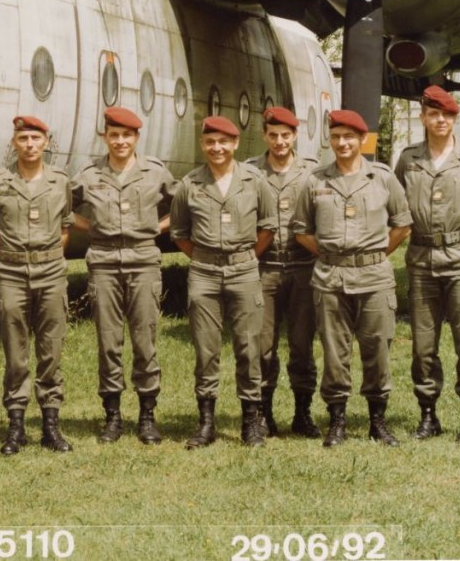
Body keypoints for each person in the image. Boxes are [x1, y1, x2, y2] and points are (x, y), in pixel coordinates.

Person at [293, 109, 412, 447]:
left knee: (377, 349)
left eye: (349, 137)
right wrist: (333, 256)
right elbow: (302, 230)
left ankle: (377, 421)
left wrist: (372, 256)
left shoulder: (383, 178)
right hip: (330, 279)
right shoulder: (315, 180)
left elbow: (402, 224)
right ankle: (337, 421)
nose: (342, 143)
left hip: (375, 278)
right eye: (336, 137)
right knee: (334, 352)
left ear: (362, 139)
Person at [394, 85, 460, 443]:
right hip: (422, 260)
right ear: (423, 117)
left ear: (455, 118)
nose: (441, 120)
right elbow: (396, 204)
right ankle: (428, 415)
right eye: (434, 114)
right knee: (423, 345)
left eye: (448, 115)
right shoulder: (408, 159)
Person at [71, 106, 176, 445]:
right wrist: (91, 227)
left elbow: (181, 206)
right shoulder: (89, 175)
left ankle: (147, 416)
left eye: (126, 136)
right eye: (113, 135)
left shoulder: (155, 173)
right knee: (108, 341)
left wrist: (154, 228)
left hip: (144, 260)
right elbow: (63, 206)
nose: (119, 141)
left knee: (145, 339)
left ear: (136, 138)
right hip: (102, 261)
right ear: (105, 137)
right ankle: (112, 416)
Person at [170, 115, 277, 448]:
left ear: (234, 144)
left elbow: (268, 227)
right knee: (206, 350)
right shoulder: (190, 184)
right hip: (203, 273)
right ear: (203, 145)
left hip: (245, 271)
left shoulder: (254, 180)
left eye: (223, 142)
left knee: (249, 347)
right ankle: (206, 424)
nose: (216, 148)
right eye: (210, 142)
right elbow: (179, 233)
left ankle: (250, 423)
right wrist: (206, 259)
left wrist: (243, 258)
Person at [0, 115, 74, 456]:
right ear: (14, 143)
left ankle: (50, 426)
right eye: (23, 139)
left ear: (46, 142)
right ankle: (16, 427)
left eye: (36, 139)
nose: (30, 145)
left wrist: (47, 257)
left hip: (50, 273)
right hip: (12, 274)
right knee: (15, 351)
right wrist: (11, 256)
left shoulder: (60, 181)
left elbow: (66, 226)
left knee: (51, 351)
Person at [246, 107, 320, 437]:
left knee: (302, 344)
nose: (279, 141)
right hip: (265, 270)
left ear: (295, 136)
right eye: (273, 135)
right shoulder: (249, 172)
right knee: (263, 346)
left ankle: (303, 413)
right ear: (265, 135)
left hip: (303, 268)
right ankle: (264, 414)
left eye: (285, 135)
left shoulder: (313, 173)